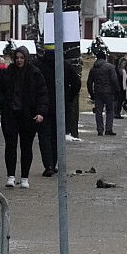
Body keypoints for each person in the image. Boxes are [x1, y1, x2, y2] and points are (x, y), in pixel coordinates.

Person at [0, 46, 48, 188]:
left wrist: (40, 112)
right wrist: (4, 104)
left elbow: (42, 94)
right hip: (10, 115)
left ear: (26, 58)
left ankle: (25, 177)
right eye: (17, 57)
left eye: (22, 58)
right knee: (10, 146)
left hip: (28, 116)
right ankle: (10, 176)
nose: (19, 60)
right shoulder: (7, 73)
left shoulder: (35, 74)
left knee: (26, 147)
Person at [35, 47, 81, 177]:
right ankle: (53, 163)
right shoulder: (65, 65)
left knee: (44, 136)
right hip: (60, 106)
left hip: (42, 106)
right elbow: (76, 83)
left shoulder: (38, 66)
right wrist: (68, 98)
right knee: (56, 135)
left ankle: (48, 164)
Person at [87, 49, 120, 136]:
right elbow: (114, 80)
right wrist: (117, 90)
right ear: (104, 58)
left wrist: (91, 94)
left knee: (98, 111)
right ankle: (108, 129)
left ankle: (100, 130)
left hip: (97, 92)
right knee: (110, 110)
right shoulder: (110, 67)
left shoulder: (93, 69)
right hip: (109, 92)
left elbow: (89, 82)